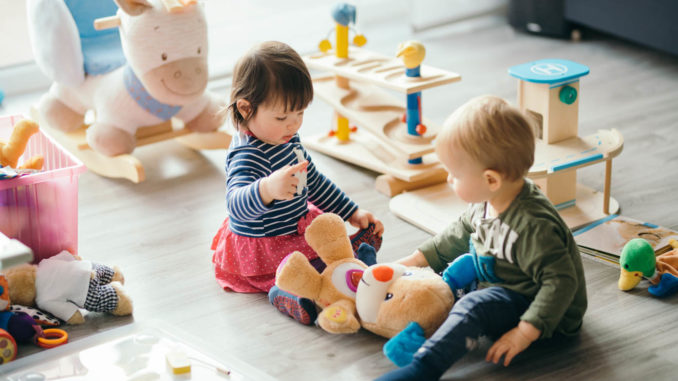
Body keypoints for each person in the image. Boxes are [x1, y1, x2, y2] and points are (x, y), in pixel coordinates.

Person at [376, 95, 587, 381]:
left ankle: (425, 367)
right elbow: (460, 232)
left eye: (455, 174)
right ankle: (417, 324)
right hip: (502, 278)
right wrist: (413, 262)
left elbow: (561, 282)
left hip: (546, 312)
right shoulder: (490, 199)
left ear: (491, 180)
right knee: (447, 276)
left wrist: (525, 332)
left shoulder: (533, 227)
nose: (449, 179)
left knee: (472, 306)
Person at [211, 41, 384, 325]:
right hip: (265, 245)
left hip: (295, 226)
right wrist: (267, 189)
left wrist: (352, 212)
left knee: (325, 241)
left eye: (300, 113)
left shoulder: (286, 138)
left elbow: (313, 181)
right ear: (245, 109)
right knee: (295, 272)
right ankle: (287, 295)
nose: (293, 125)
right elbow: (235, 206)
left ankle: (351, 257)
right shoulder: (247, 155)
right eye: (282, 117)